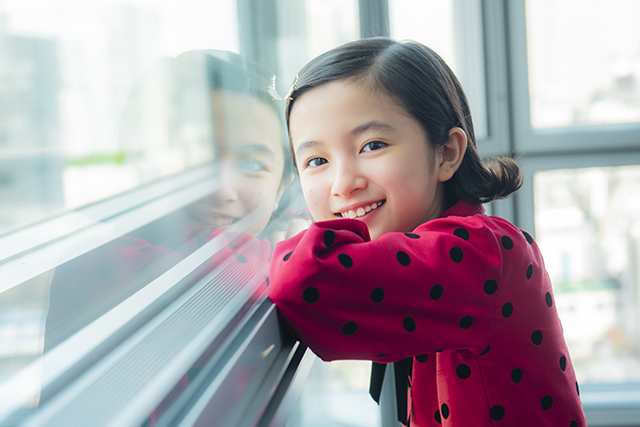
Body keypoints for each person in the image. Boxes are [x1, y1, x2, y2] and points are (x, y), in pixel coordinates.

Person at [268, 38, 586, 426]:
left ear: (446, 153)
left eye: (372, 145)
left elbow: (305, 281)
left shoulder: (479, 252)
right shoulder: (421, 257)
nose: (343, 183)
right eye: (316, 160)